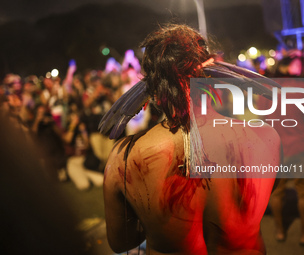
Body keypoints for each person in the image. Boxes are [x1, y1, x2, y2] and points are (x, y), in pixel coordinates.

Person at [103, 24, 280, 254]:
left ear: (152, 89)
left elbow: (121, 243)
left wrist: (153, 218)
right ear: (212, 76)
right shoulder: (266, 137)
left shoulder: (124, 158)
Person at [258, 54, 304, 246]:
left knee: (276, 193)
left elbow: (262, 123)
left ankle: (279, 232)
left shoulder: (265, 90)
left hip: (276, 149)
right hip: (302, 147)